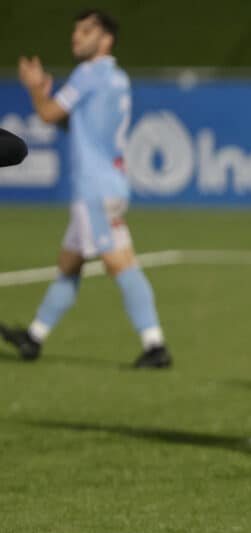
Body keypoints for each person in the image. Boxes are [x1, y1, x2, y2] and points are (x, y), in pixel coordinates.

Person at [1, 10, 171, 368]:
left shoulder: (88, 74)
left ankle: (155, 345)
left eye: (86, 30)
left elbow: (48, 115)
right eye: (76, 29)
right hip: (109, 183)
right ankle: (34, 337)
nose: (76, 36)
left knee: (120, 264)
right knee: (69, 265)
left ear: (105, 39)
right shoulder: (118, 78)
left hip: (94, 189)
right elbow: (80, 129)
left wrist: (36, 89)